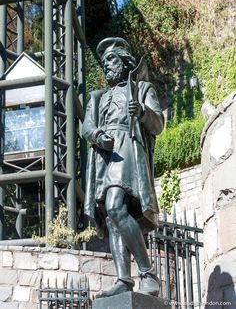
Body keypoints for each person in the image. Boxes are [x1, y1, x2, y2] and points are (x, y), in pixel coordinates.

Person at [82, 37, 164, 298]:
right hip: (104, 154)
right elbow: (86, 127)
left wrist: (141, 111)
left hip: (127, 148)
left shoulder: (141, 88)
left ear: (125, 61)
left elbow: (158, 125)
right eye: (104, 63)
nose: (107, 66)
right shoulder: (98, 97)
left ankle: (148, 273)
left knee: (116, 205)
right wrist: (96, 135)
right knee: (112, 216)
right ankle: (123, 279)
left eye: (112, 60)